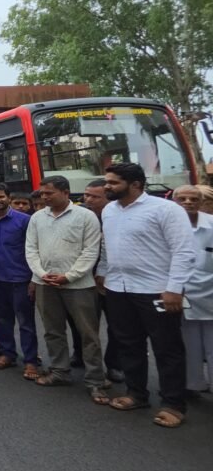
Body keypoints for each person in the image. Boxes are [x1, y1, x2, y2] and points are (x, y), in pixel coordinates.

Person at [99, 163, 194, 428]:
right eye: (107, 181)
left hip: (157, 290)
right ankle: (136, 394)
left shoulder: (166, 210)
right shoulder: (109, 210)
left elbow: (183, 251)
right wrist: (104, 274)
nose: (107, 186)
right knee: (128, 345)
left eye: (113, 182)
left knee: (167, 349)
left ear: (136, 185)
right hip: (119, 288)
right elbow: (108, 246)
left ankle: (174, 404)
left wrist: (174, 288)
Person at [25, 176, 106, 402]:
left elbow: (91, 251)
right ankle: (60, 371)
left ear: (65, 192)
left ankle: (95, 381)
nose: (44, 197)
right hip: (45, 283)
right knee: (52, 330)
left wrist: (69, 276)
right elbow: (30, 249)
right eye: (42, 193)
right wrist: (41, 274)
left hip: (79, 285)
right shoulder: (38, 218)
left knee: (88, 334)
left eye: (49, 193)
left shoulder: (85, 216)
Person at [0, 184, 39, 378]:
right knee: (1, 320)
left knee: (25, 322)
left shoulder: (25, 221)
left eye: (0, 197)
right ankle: (7, 354)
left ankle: (31, 361)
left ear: (8, 198)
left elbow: (33, 250)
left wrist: (34, 279)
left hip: (20, 278)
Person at [80, 177, 122, 381]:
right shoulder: (80, 216)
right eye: (86, 195)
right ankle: (82, 357)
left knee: (117, 325)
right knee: (84, 323)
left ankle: (115, 365)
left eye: (94, 197)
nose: (88, 200)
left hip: (113, 280)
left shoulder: (117, 217)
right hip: (84, 278)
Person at [173, 186, 213, 395]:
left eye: (193, 198)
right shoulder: (167, 225)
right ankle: (193, 383)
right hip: (180, 292)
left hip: (210, 292)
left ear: (201, 202)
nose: (188, 202)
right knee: (188, 344)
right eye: (182, 198)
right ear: (174, 201)